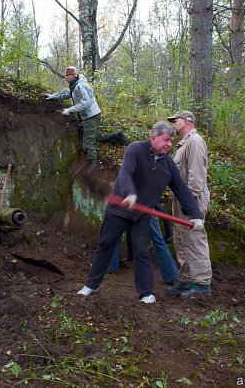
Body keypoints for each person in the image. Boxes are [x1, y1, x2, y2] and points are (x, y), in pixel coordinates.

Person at [76, 121, 205, 304]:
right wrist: (130, 194)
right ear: (153, 138)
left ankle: (146, 293)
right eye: (166, 140)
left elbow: (181, 189)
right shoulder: (135, 149)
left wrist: (195, 215)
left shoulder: (168, 164)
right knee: (106, 244)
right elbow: (126, 173)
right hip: (119, 210)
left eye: (171, 141)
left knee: (141, 251)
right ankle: (92, 284)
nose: (169, 144)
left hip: (141, 215)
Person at [165, 110, 213, 298]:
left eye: (175, 121)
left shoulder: (195, 141)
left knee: (194, 240)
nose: (173, 125)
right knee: (181, 238)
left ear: (185, 121)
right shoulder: (183, 144)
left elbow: (196, 175)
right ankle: (186, 279)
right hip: (181, 200)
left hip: (190, 200)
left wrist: (190, 203)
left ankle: (201, 284)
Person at [44, 66, 101, 170]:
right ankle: (117, 137)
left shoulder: (80, 86)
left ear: (74, 75)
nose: (65, 77)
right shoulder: (74, 85)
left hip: (92, 116)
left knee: (87, 143)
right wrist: (53, 96)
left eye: (68, 75)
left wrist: (69, 110)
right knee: (92, 137)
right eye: (65, 75)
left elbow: (86, 103)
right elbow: (66, 94)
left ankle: (94, 167)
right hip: (88, 116)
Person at [108, 215, 179, 285]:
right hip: (145, 208)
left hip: (128, 209)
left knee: (115, 237)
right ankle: (171, 276)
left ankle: (112, 267)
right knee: (158, 241)